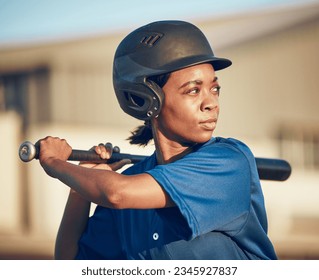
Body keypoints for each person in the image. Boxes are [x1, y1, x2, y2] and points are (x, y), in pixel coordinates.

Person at [38, 20, 277, 260]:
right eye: (193, 90)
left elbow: (116, 193)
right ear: (146, 99)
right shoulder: (130, 183)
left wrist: (55, 163)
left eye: (214, 89)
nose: (211, 103)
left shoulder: (228, 162)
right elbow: (69, 263)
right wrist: (80, 189)